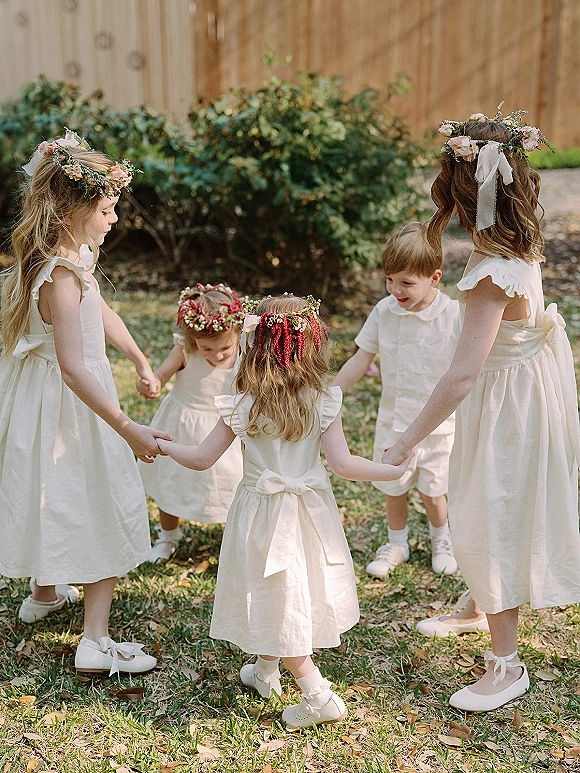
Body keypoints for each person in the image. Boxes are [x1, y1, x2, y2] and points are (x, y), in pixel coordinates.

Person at [382, 109, 580, 711]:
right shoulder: (520, 246)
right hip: (520, 394)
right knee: (484, 498)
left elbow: (464, 372)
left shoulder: (492, 272)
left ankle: (506, 665)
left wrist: (409, 438)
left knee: (489, 509)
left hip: (504, 406)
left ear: (467, 197)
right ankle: (476, 604)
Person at [157, 295, 412, 728]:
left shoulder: (243, 403)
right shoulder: (322, 400)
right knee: (288, 589)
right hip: (311, 511)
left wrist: (159, 443)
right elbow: (345, 466)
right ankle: (264, 669)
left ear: (253, 345)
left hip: (260, 511)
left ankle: (317, 694)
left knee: (273, 589)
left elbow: (202, 458)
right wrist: (390, 468)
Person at [0, 130, 170, 675]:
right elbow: (74, 366)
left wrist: (141, 360)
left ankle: (45, 593)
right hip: (73, 405)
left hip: (44, 400)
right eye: (107, 207)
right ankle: (95, 642)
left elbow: (101, 314)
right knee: (100, 499)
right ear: (75, 208)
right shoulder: (63, 277)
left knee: (53, 490)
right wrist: (126, 426)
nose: (115, 218)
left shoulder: (59, 261)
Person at [333, 222, 466, 582]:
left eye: (406, 283)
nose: (395, 290)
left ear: (434, 277)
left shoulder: (453, 315)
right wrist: (331, 393)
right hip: (394, 421)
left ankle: (442, 539)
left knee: (434, 490)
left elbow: (468, 370)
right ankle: (397, 543)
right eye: (389, 280)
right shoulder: (384, 311)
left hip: (439, 427)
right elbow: (361, 358)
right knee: (394, 487)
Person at [137, 283, 243, 562]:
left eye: (224, 348)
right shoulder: (186, 349)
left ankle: (236, 538)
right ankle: (168, 536)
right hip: (183, 426)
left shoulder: (246, 351)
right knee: (172, 483)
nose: (217, 355)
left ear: (238, 333)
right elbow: (161, 375)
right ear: (193, 339)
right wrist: (153, 383)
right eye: (207, 348)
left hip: (226, 430)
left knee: (234, 483)